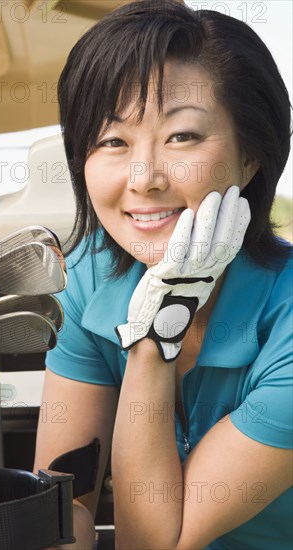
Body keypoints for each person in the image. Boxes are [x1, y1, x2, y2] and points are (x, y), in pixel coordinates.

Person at [33, 1, 293, 548]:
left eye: (182, 137)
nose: (144, 177)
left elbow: (154, 542)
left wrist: (157, 333)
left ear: (250, 157)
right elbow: (63, 508)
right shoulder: (83, 282)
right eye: (112, 141)